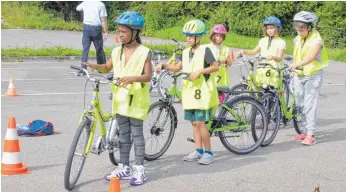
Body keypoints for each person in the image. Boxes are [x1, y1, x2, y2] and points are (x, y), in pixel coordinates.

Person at [83, 11, 152, 185]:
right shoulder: (116, 51)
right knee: (123, 136)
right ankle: (124, 166)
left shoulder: (144, 52)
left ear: (135, 33)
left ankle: (139, 169)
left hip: (136, 100)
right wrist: (93, 66)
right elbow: (107, 67)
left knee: (137, 135)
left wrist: (132, 78)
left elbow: (148, 76)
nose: (120, 34)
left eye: (124, 31)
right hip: (120, 99)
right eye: (119, 31)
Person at [155, 19, 219, 165]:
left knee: (201, 123)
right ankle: (198, 150)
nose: (188, 38)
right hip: (189, 93)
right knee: (194, 123)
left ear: (199, 37)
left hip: (202, 92)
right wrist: (163, 64)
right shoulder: (185, 52)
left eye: (191, 36)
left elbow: (215, 67)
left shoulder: (205, 51)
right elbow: (177, 67)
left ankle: (208, 152)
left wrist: (200, 71)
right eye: (187, 36)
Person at [290, 11, 328, 145]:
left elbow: (312, 56)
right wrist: (294, 68)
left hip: (313, 75)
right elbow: (296, 55)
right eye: (297, 25)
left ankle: (310, 134)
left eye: (302, 26)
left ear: (310, 26)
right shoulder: (297, 38)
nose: (299, 29)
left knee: (309, 105)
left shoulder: (317, 40)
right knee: (299, 104)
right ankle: (304, 131)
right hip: (299, 74)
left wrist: (297, 64)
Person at [237, 16, 286, 89]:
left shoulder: (281, 42)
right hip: (262, 68)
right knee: (259, 89)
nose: (269, 30)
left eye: (271, 28)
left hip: (274, 70)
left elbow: (279, 58)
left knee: (271, 91)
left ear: (278, 28)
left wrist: (272, 57)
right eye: (267, 28)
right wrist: (244, 51)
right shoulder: (263, 40)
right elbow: (253, 51)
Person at [76, 1, 108, 70]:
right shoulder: (101, 4)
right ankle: (101, 68)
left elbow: (78, 8)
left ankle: (83, 69)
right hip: (96, 28)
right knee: (99, 49)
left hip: (86, 27)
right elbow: (103, 20)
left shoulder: (85, 2)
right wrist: (105, 32)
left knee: (85, 49)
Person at [207, 21, 233, 103]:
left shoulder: (226, 49)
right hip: (209, 78)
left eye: (221, 36)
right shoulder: (207, 47)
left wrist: (225, 59)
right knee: (209, 101)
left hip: (221, 79)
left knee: (219, 102)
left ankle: (220, 115)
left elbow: (230, 63)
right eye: (216, 35)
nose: (218, 38)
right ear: (212, 35)